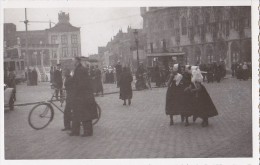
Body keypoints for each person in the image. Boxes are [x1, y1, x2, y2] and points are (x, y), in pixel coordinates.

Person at [70, 57, 98, 137]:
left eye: (73, 61)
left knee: (85, 114)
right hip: (82, 95)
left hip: (83, 95)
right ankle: (75, 131)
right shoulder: (79, 69)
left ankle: (88, 132)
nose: (73, 62)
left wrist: (75, 91)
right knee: (77, 113)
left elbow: (81, 83)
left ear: (77, 61)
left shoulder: (80, 70)